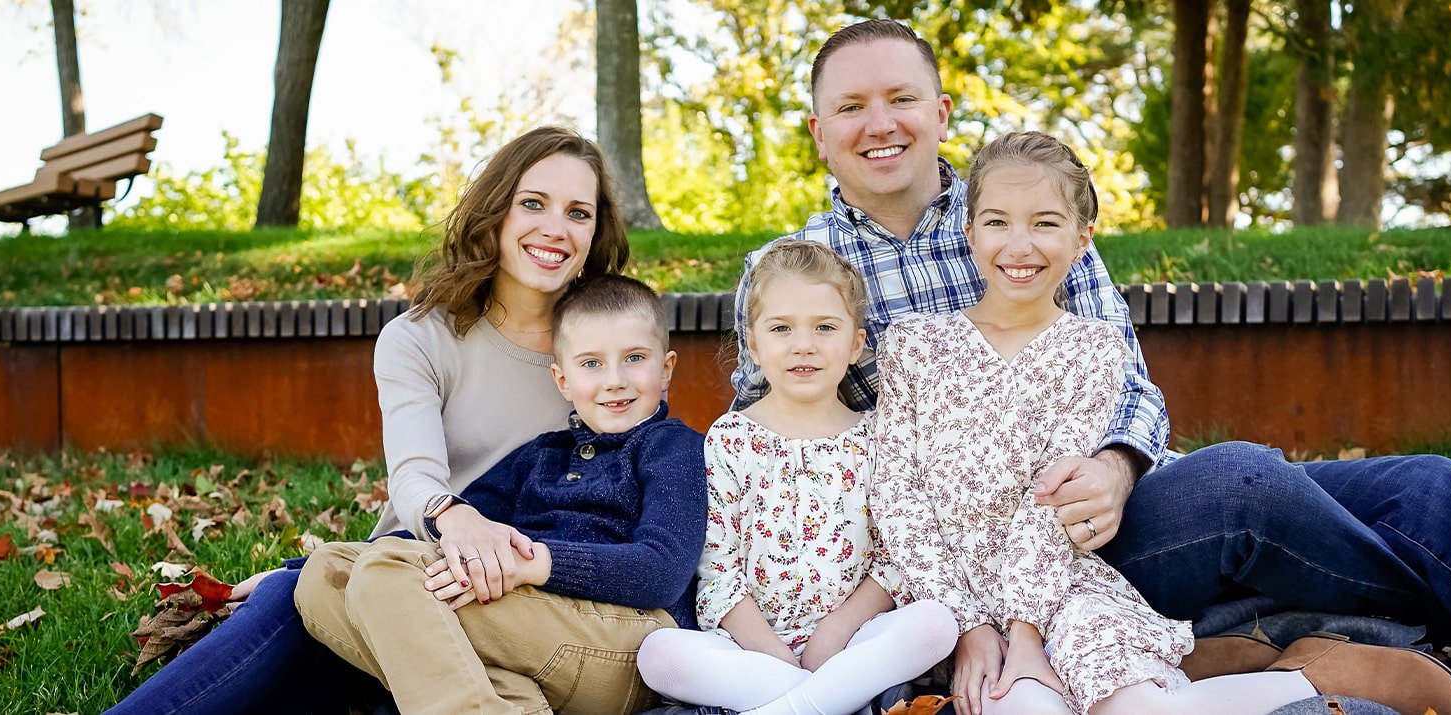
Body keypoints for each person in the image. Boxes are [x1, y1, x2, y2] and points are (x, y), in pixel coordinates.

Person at [732, 14, 1451, 688]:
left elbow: (1129, 382)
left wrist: (1118, 465)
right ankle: (1433, 610)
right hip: (980, 560)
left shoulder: (1028, 212)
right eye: (850, 107)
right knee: (1245, 481)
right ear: (818, 130)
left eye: (901, 97)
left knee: (1425, 485)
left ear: (941, 111)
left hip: (1108, 509)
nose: (880, 124)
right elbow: (773, 447)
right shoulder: (795, 275)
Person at [870, 130, 1451, 715]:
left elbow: (1052, 501)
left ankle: (1317, 674)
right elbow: (898, 498)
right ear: (969, 230)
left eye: (1045, 223)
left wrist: (1025, 631)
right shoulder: (916, 345)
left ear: (1083, 240)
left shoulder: (1092, 350)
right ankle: (1290, 680)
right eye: (997, 221)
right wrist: (973, 626)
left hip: (1063, 592)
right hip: (949, 607)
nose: (1018, 245)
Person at [105, 125, 630, 714]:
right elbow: (414, 476)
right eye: (533, 203)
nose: (555, 229)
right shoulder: (419, 339)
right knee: (292, 601)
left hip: (523, 599)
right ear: (495, 211)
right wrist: (442, 522)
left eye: (578, 213)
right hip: (407, 575)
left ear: (596, 231)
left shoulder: (607, 355)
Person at [294, 274, 708, 715]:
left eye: (635, 358)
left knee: (389, 574)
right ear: (562, 379)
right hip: (524, 632)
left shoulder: (674, 448)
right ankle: (504, 703)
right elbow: (441, 541)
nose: (615, 380)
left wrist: (527, 564)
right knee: (325, 573)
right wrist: (292, 569)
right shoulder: (539, 457)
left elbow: (662, 573)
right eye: (591, 364)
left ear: (666, 370)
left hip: (631, 642)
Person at [636, 241, 958, 715]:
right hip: (750, 648)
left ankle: (790, 707)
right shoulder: (730, 439)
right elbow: (718, 569)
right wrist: (771, 652)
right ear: (755, 342)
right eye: (782, 328)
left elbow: (895, 558)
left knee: (935, 625)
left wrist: (836, 631)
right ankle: (829, 702)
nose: (803, 344)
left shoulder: (879, 438)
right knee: (659, 656)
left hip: (854, 640)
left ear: (855, 343)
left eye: (825, 328)